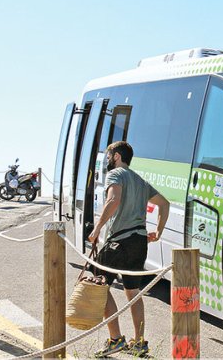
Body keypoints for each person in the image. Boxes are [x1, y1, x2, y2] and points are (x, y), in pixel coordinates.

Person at [89, 141, 170, 358]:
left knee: (99, 285)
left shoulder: (116, 174)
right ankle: (139, 343)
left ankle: (115, 339)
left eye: (108, 156)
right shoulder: (140, 181)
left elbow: (113, 200)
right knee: (133, 293)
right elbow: (165, 204)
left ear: (116, 156)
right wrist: (158, 232)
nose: (107, 160)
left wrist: (97, 229)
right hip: (139, 242)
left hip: (120, 241)